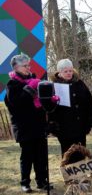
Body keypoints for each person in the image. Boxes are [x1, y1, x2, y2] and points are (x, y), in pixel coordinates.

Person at [4, 54, 52, 193]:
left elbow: (42, 102)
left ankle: (42, 181)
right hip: (24, 127)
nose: (28, 68)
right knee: (27, 156)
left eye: (28, 65)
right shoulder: (12, 84)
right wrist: (30, 89)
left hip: (38, 125)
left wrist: (51, 100)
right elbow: (16, 104)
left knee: (41, 156)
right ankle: (25, 182)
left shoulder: (35, 80)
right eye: (25, 66)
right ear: (16, 67)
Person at [49, 59, 92, 156]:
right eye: (65, 71)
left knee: (81, 154)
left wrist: (89, 122)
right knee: (68, 155)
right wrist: (53, 126)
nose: (69, 73)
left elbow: (89, 103)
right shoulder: (53, 87)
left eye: (70, 70)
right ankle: (67, 171)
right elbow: (49, 109)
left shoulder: (80, 84)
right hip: (64, 129)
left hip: (80, 127)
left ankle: (82, 171)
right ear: (59, 72)